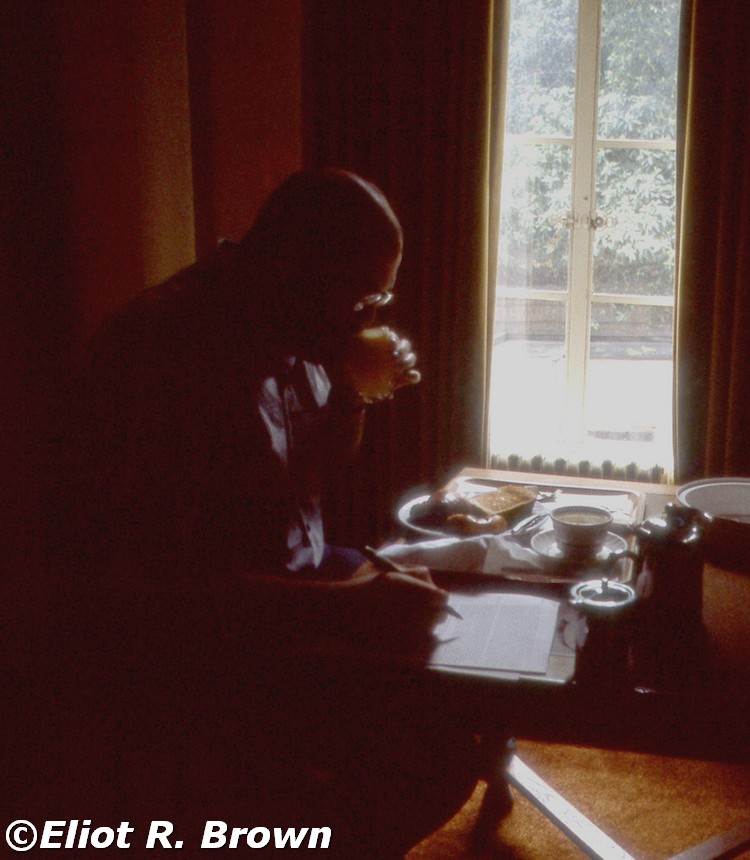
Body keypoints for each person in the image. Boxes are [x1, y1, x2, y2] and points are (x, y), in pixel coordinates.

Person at [67, 169, 478, 853]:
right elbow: (144, 590)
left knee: (453, 665)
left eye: (381, 295)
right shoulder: (167, 353)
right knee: (434, 749)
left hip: (297, 588)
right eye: (361, 294)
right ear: (297, 267)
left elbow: (309, 482)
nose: (370, 315)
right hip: (202, 661)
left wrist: (351, 393)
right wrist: (344, 609)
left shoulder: (296, 328)